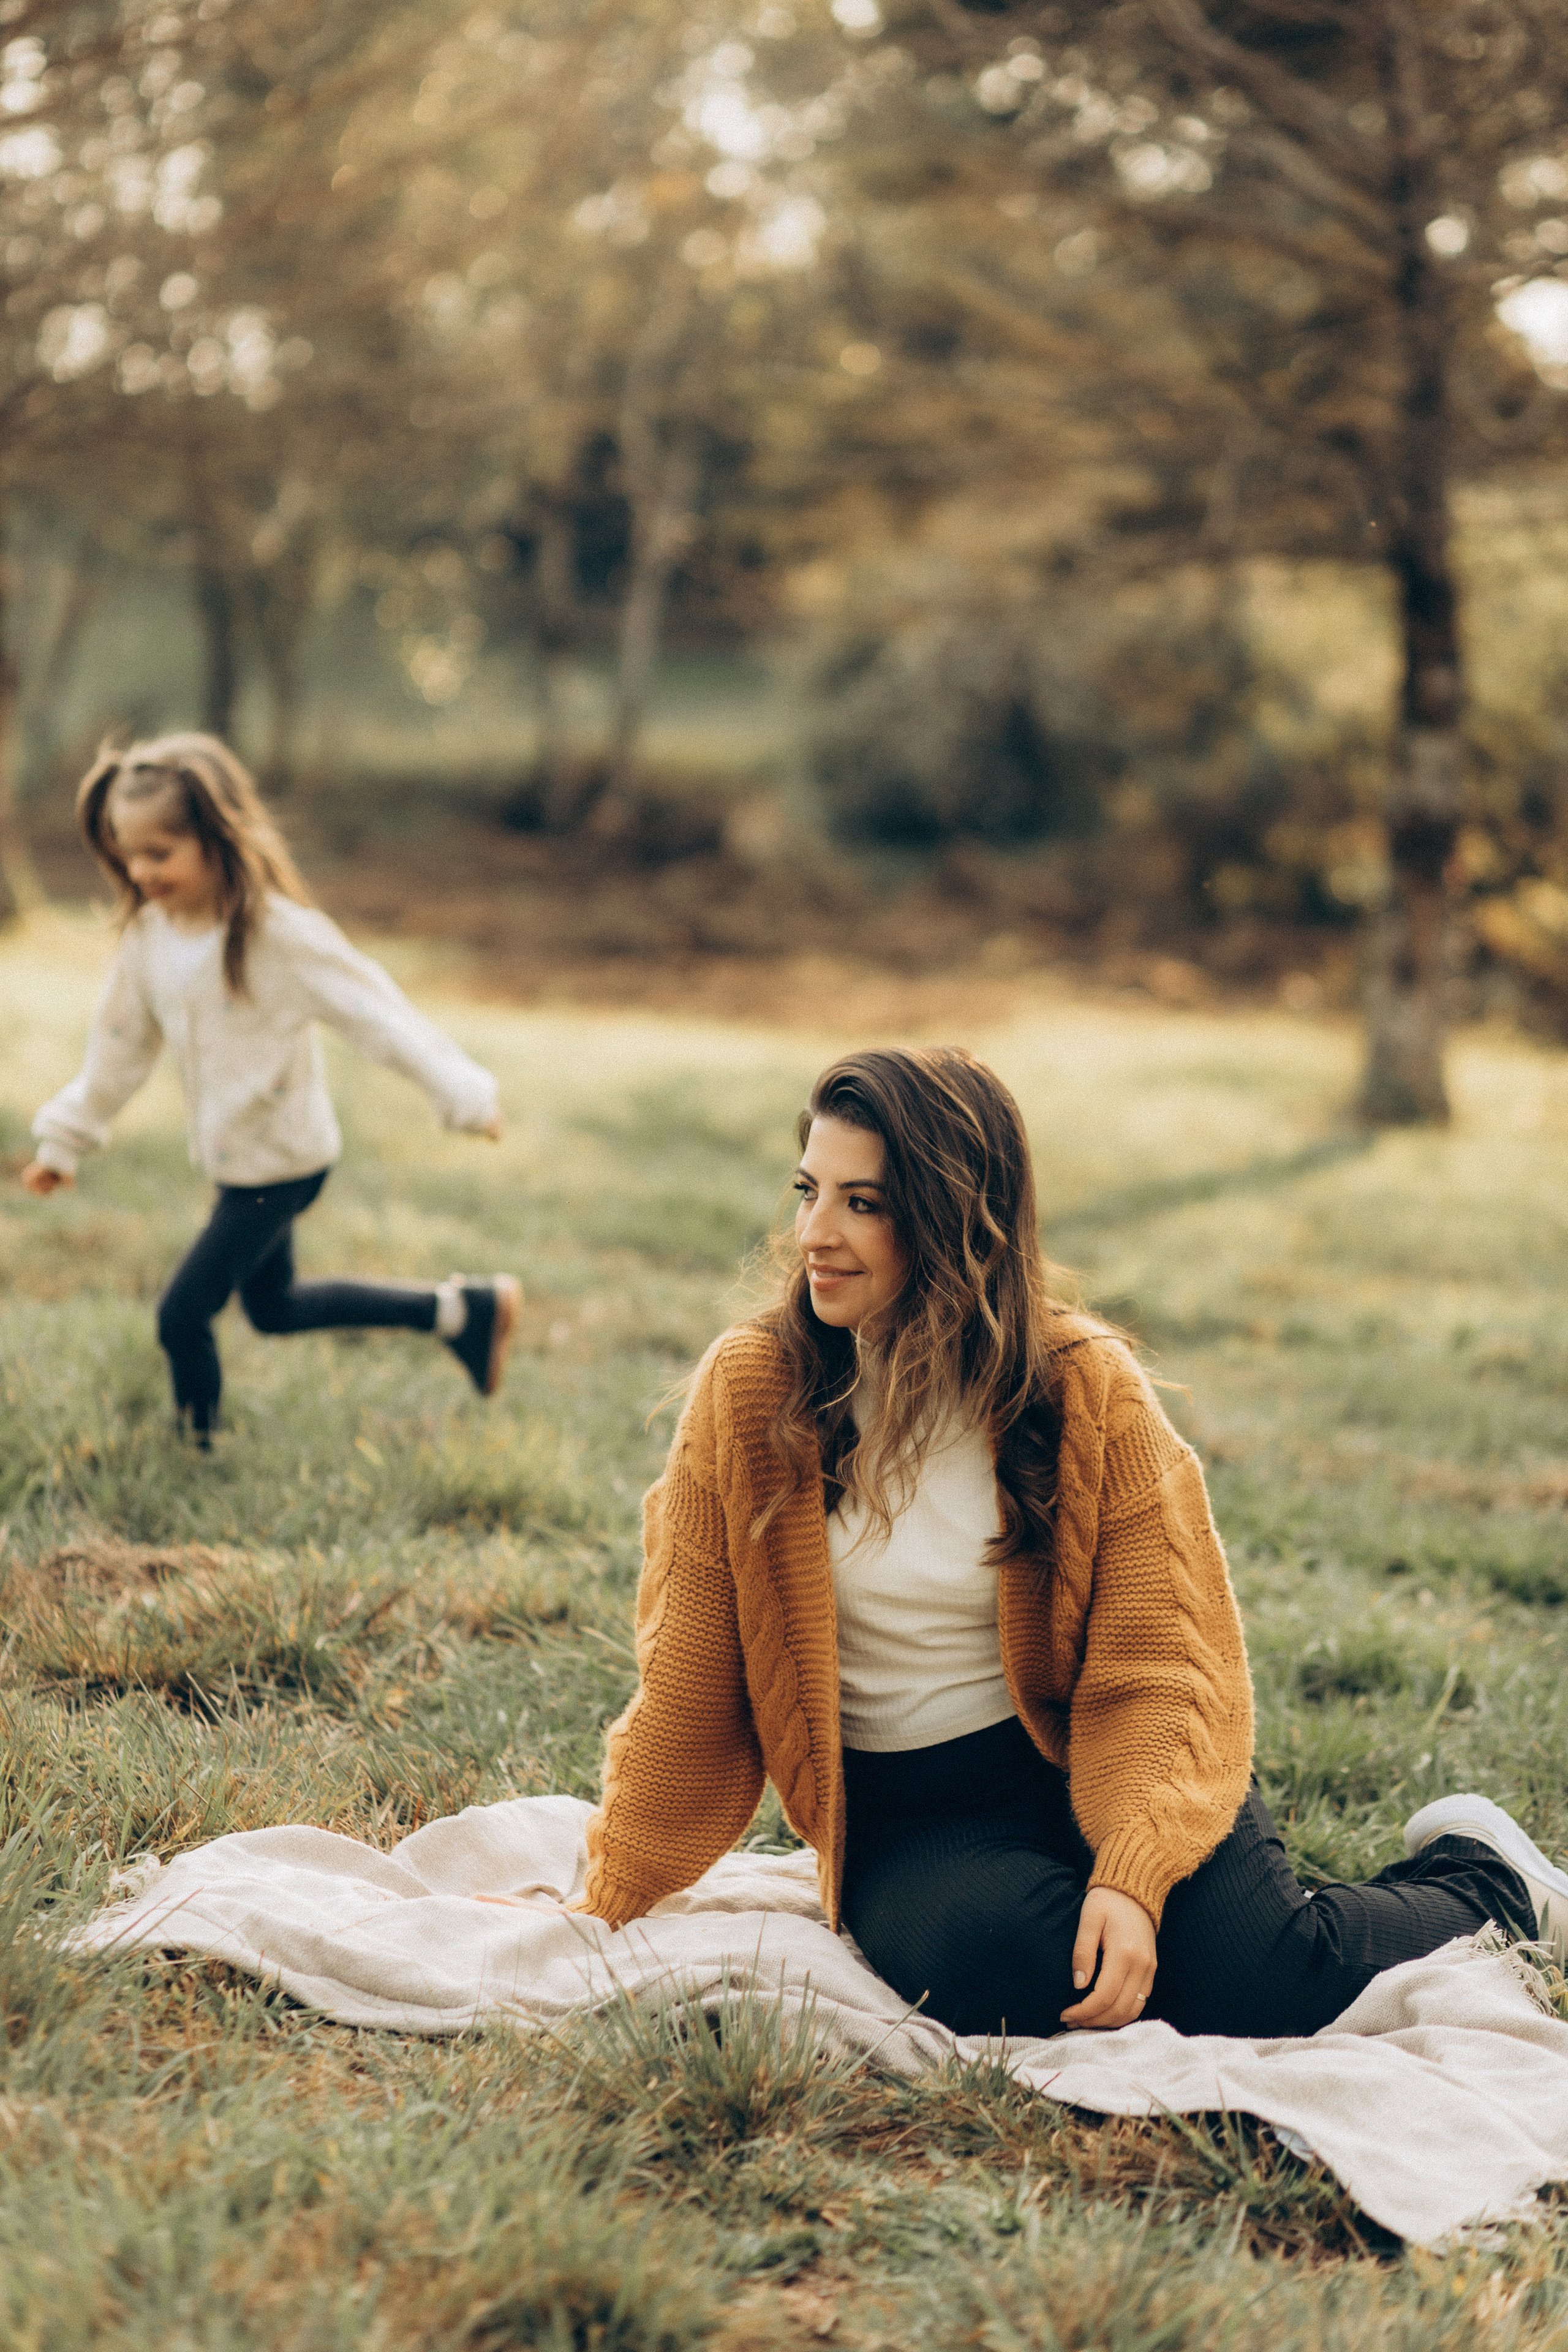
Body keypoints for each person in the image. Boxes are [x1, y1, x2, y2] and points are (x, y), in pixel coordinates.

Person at [576, 1045, 1568, 2038]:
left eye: (862, 1204)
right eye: (809, 1192)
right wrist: (610, 1891)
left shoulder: (1084, 1387)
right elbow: (689, 1674)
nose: (813, 1235)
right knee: (1014, 1968)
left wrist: (1133, 1874)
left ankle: (1488, 1882)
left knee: (1257, 1977)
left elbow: (1161, 1662)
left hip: (1107, 1749)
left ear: (956, 1217)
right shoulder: (753, 1390)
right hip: (916, 1819)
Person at [21, 733, 521, 1446]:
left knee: (181, 1315)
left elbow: (376, 1014)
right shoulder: (150, 939)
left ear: (217, 838)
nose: (140, 872)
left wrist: (462, 1093)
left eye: (159, 853)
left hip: (284, 1165)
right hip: (239, 1163)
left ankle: (198, 1450)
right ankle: (463, 1312)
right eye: (127, 854)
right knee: (274, 1308)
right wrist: (64, 1141)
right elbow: (118, 1049)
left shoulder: (277, 936)